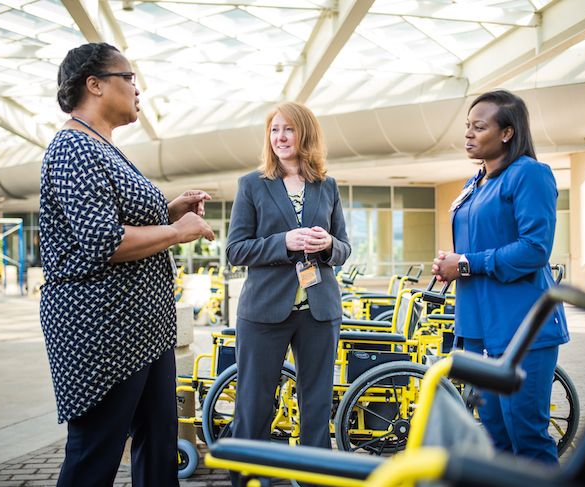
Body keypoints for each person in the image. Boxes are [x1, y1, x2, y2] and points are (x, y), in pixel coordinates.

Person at [39, 42, 215, 487]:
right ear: (94, 85)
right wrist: (179, 232)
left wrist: (170, 211)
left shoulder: (104, 147)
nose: (138, 89)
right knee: (94, 454)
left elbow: (119, 220)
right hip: (102, 329)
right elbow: (104, 240)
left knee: (158, 446)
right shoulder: (73, 148)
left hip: (143, 328)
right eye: (129, 78)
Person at [431, 89, 569, 464]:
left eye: (480, 127)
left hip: (522, 326)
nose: (469, 134)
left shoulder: (529, 175)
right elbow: (475, 247)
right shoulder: (473, 184)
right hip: (476, 327)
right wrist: (451, 264)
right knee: (495, 435)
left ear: (507, 133)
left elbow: (535, 249)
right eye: (467, 127)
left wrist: (465, 264)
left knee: (526, 434)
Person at [226, 101, 351, 485]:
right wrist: (284, 241)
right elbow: (235, 250)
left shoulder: (326, 186)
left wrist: (327, 243)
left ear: (305, 134)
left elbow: (344, 249)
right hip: (263, 313)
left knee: (316, 407)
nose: (280, 137)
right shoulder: (252, 184)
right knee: (254, 404)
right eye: (274, 129)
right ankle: (251, 479)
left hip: (318, 312)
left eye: (289, 129)